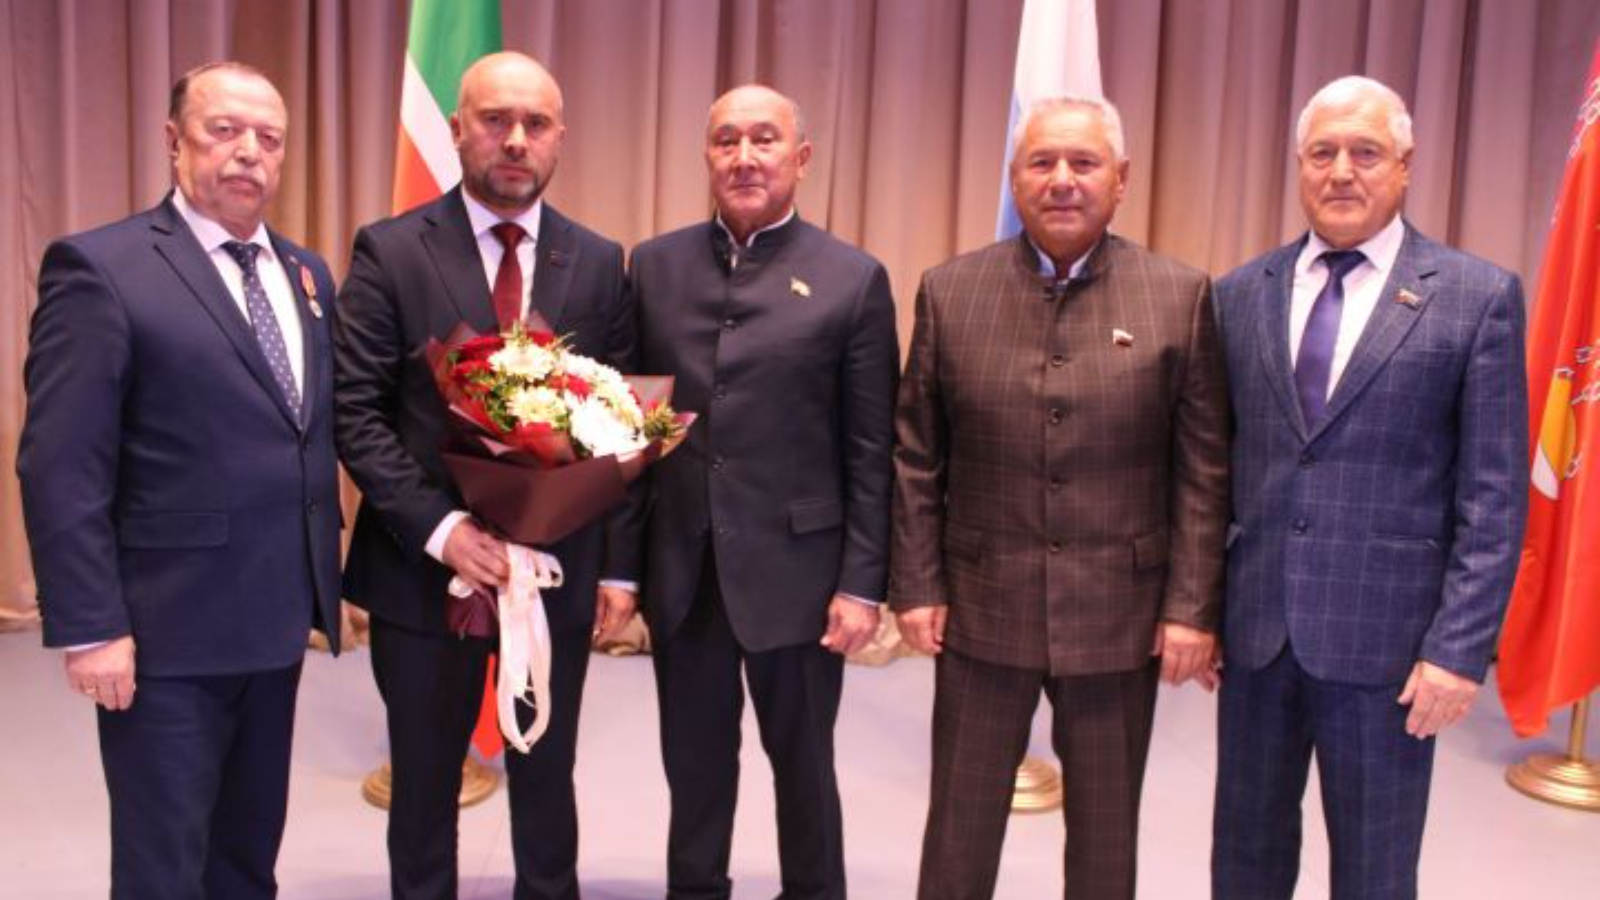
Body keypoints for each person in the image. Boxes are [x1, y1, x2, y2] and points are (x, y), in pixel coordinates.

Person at [890, 96, 1230, 900]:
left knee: (1106, 845)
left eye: (1084, 162)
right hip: (982, 608)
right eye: (1042, 162)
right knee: (958, 834)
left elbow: (1204, 470)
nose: (1063, 180)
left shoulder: (1180, 295)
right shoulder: (951, 290)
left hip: (1120, 617)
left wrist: (1191, 608)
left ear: (1121, 179)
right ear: (1016, 180)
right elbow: (916, 456)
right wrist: (917, 585)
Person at [17, 61, 342, 899]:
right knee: (163, 868)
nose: (249, 152)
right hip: (167, 632)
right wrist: (90, 624)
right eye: (223, 130)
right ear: (173, 141)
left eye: (269, 138)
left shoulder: (306, 274)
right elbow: (61, 461)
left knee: (245, 858)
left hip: (276, 621)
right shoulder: (103, 268)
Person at [1210, 76, 1528, 900]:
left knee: (1375, 875)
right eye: (1323, 153)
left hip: (1389, 650)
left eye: (1366, 152)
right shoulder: (1240, 295)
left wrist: (1458, 650)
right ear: (1299, 165)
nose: (1342, 171)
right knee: (1244, 863)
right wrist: (1202, 611)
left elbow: (1494, 498)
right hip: (1257, 637)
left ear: (1405, 165)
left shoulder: (1476, 298)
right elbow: (1215, 471)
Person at [333, 52, 635, 900]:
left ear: (560, 137)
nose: (515, 140)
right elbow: (355, 411)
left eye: (535, 124)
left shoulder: (598, 259)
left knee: (548, 781)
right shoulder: (391, 251)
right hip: (422, 574)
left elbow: (618, 423)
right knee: (424, 788)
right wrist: (445, 532)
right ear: (458, 129)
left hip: (554, 574)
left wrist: (616, 565)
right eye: (495, 120)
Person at [622, 84, 899, 900]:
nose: (745, 157)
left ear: (801, 158)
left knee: (805, 773)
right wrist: (621, 566)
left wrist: (862, 583)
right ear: (707, 156)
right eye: (727, 141)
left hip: (803, 579)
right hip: (686, 570)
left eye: (764, 140)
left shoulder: (853, 279)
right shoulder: (655, 267)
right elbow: (629, 427)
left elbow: (871, 449)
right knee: (694, 772)